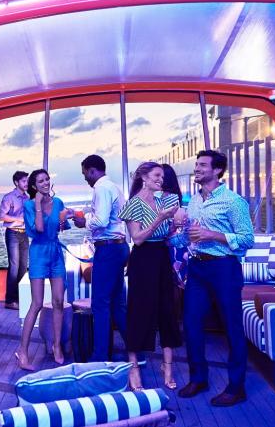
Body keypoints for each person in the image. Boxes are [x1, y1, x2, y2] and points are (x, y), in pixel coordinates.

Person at [170, 150, 254, 407]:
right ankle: (198, 379)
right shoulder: (194, 201)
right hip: (197, 268)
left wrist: (212, 235)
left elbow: (247, 239)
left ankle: (236, 387)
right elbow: (189, 236)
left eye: (202, 165)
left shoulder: (233, 202)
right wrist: (170, 237)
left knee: (232, 326)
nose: (196, 168)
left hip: (224, 268)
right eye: (196, 164)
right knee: (191, 323)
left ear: (217, 170)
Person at [118, 162, 182, 391]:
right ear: (143, 177)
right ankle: (133, 366)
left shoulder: (166, 200)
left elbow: (168, 233)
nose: (160, 180)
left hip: (162, 256)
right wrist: (159, 218)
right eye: (156, 175)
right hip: (142, 259)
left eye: (162, 177)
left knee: (167, 309)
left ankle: (168, 366)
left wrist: (176, 225)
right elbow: (137, 239)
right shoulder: (133, 204)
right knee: (139, 311)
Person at [73, 154, 129, 361]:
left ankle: (100, 357)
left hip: (108, 250)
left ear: (92, 170)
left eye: (85, 174)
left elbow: (102, 221)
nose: (85, 178)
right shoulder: (113, 187)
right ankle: (135, 351)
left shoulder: (101, 188)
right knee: (117, 304)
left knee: (100, 304)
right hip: (119, 247)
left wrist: (83, 222)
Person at [15, 169, 70, 370]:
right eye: (41, 181)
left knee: (58, 301)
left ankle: (57, 346)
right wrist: (38, 204)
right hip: (38, 254)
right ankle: (23, 351)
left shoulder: (58, 202)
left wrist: (65, 219)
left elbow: (62, 227)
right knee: (37, 303)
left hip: (55, 254)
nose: (46, 183)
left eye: (47, 179)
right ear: (34, 186)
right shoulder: (29, 205)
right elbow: (38, 229)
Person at [0, 171, 30, 310]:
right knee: (14, 267)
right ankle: (10, 301)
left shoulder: (28, 198)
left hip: (24, 234)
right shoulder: (9, 197)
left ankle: (20, 299)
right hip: (12, 234)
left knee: (23, 267)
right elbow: (1, 216)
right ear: (17, 182)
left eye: (27, 181)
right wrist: (18, 219)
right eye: (24, 181)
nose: (26, 183)